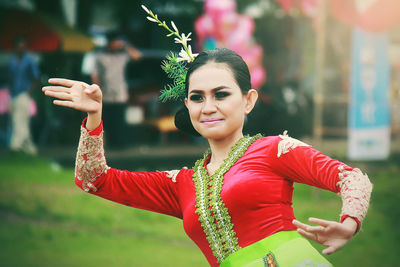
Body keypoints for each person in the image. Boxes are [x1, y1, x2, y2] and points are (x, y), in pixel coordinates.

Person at [42, 48, 372, 266]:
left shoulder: (275, 150)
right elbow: (94, 179)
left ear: (248, 100)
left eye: (221, 94)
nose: (208, 107)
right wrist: (95, 118)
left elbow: (351, 178)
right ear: (187, 105)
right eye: (197, 97)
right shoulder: (182, 184)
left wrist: (349, 222)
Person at [91, 31, 142, 148]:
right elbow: (95, 74)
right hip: (106, 93)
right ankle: (108, 145)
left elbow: (137, 56)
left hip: (120, 93)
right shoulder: (100, 56)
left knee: (119, 120)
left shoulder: (122, 55)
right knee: (107, 121)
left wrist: (125, 45)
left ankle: (120, 145)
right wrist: (97, 90)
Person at [8, 36, 40, 154]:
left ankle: (15, 145)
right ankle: (30, 148)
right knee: (19, 121)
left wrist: (28, 92)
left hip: (23, 93)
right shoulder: (12, 60)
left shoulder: (30, 60)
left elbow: (36, 78)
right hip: (13, 94)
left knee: (19, 120)